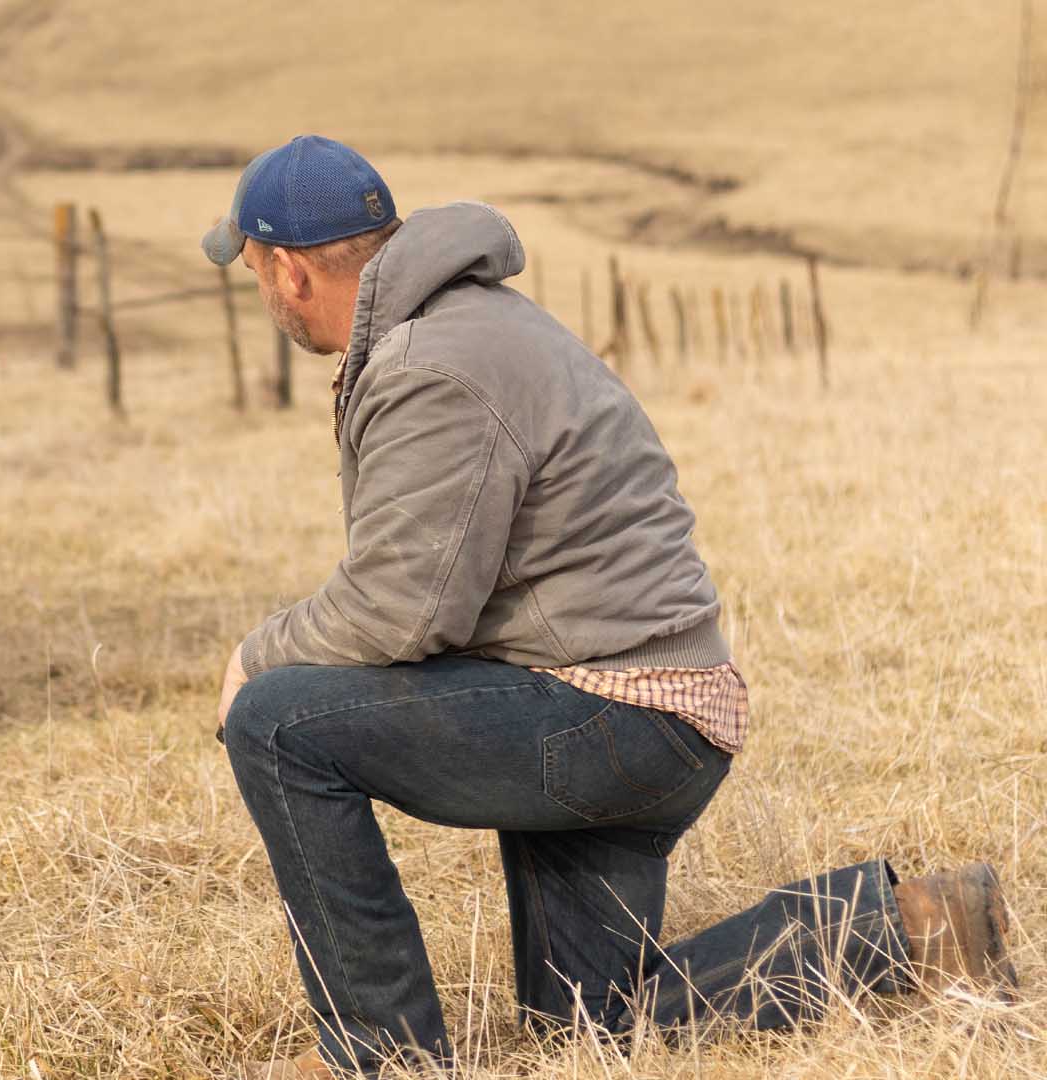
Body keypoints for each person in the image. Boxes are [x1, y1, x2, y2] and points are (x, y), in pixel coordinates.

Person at [201, 135, 1019, 1078]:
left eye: (256, 269)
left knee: (275, 721)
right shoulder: (471, 322)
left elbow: (398, 613)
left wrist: (256, 657)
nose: (261, 291)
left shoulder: (432, 364)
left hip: (610, 714)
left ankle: (383, 1058)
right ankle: (911, 928)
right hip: (639, 706)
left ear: (293, 271)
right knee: (591, 1025)